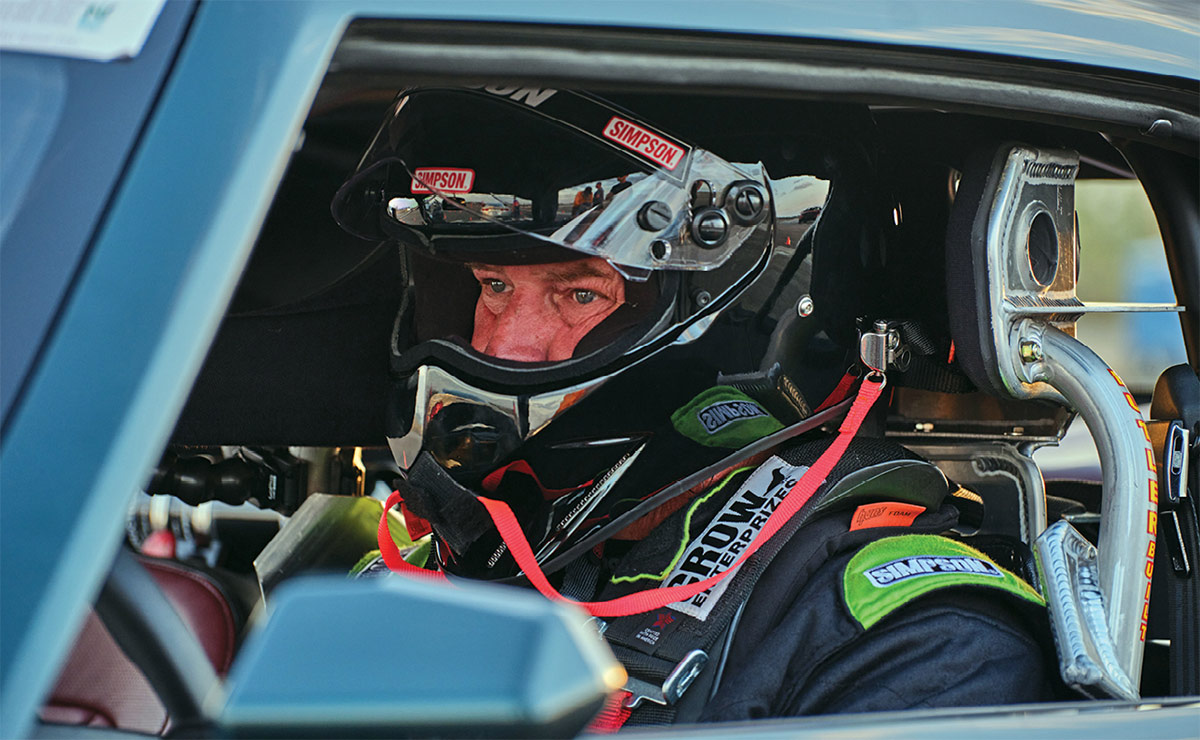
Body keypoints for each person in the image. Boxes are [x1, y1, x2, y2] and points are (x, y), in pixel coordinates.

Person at [331, 86, 1061, 727]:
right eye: (492, 287)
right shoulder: (437, 560)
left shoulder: (922, 641)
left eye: (581, 294)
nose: (506, 348)